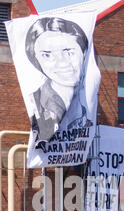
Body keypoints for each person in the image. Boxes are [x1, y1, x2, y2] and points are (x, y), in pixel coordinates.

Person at [25, 16, 92, 145]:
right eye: (47, 55)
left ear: (83, 53)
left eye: (68, 52)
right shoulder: (34, 103)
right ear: (37, 61)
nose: (61, 63)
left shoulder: (88, 98)